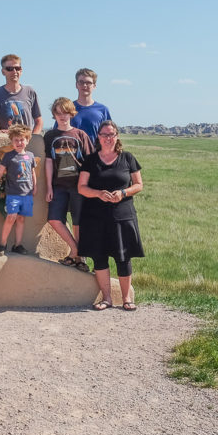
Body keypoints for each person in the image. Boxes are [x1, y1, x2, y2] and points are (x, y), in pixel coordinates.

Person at [77, 120, 144, 311]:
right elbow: (81, 187)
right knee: (99, 257)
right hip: (95, 216)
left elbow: (139, 184)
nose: (108, 138)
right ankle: (106, 298)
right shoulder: (90, 160)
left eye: (111, 134)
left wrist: (122, 193)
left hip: (122, 215)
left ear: (117, 136)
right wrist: (98, 194)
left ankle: (126, 298)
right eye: (104, 135)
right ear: (98, 137)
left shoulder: (127, 158)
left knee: (123, 257)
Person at [43, 97, 95, 271]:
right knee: (54, 219)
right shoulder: (50, 135)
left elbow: (90, 162)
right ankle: (76, 250)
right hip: (58, 185)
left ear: (71, 113)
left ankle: (79, 259)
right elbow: (49, 161)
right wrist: (49, 187)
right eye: (58, 113)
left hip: (78, 185)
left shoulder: (80, 135)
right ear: (54, 115)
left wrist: (89, 186)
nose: (62, 116)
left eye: (65, 112)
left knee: (77, 221)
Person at [0, 123, 36, 256]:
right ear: (12, 141)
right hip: (13, 193)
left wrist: (35, 187)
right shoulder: (8, 156)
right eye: (16, 140)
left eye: (22, 139)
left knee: (21, 219)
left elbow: (32, 172)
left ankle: (17, 245)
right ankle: (2, 244)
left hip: (27, 194)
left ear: (27, 140)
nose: (19, 142)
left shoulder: (30, 156)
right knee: (11, 217)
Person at [0, 54, 43, 133]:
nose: (14, 71)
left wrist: (33, 139)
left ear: (21, 71)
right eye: (10, 69)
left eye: (17, 68)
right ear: (3, 72)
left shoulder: (30, 92)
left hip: (25, 143)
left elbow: (39, 121)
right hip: (3, 143)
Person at [67, 67, 111, 144]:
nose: (84, 85)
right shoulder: (67, 108)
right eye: (81, 82)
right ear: (76, 85)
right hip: (71, 154)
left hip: (95, 155)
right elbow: (58, 133)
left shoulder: (103, 110)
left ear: (94, 86)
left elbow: (109, 135)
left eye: (88, 83)